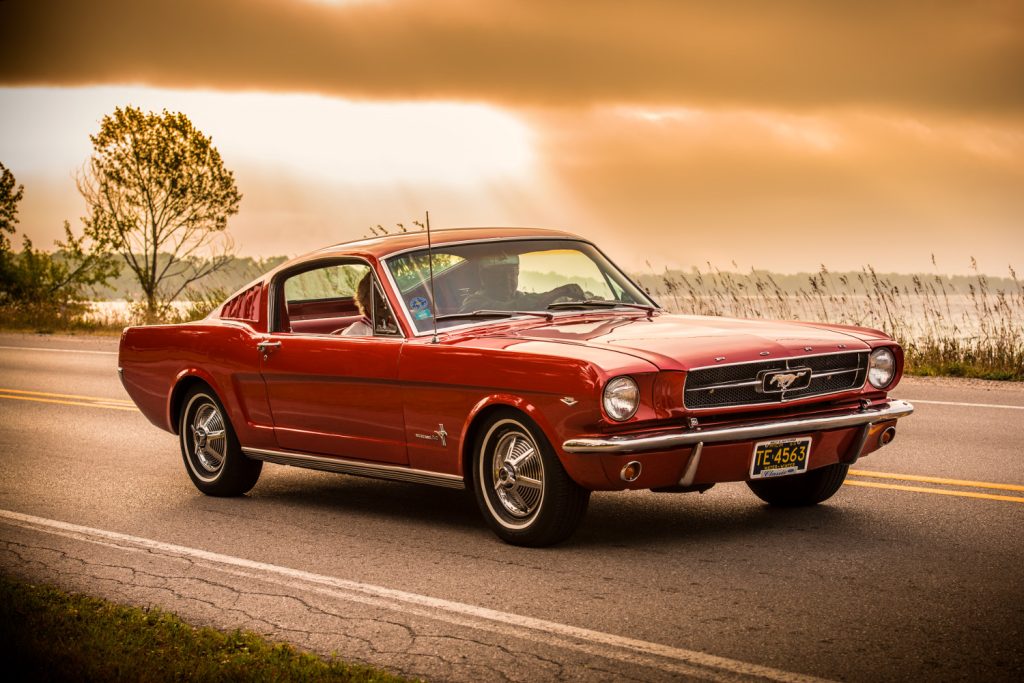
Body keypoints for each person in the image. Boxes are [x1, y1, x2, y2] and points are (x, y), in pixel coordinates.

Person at [460, 254, 585, 312]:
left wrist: (588, 301)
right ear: (485, 278)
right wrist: (556, 293)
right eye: (500, 274)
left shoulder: (520, 296)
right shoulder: (473, 304)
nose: (507, 280)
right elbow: (510, 308)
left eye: (513, 273)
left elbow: (529, 300)